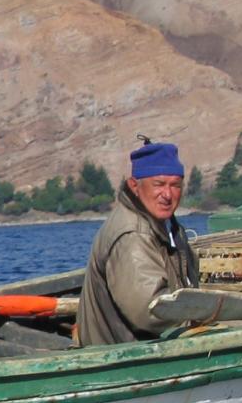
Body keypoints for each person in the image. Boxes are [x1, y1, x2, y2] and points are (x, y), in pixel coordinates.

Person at [77, 140, 199, 346]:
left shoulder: (169, 226)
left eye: (175, 185)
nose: (167, 195)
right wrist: (204, 318)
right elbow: (150, 311)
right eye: (159, 184)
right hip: (120, 358)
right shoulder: (133, 234)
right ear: (135, 186)